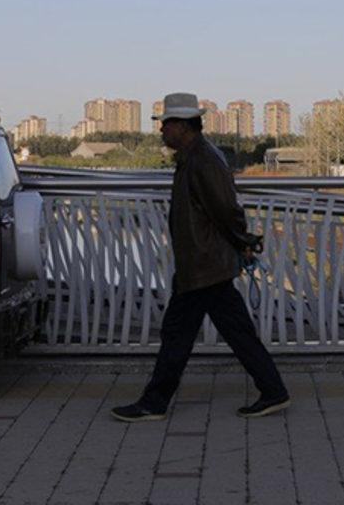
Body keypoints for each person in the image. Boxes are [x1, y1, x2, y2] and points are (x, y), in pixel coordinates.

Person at [111, 92, 290, 422]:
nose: (161, 130)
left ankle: (155, 402)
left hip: (204, 265)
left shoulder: (203, 160)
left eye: (166, 124)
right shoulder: (193, 157)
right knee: (231, 332)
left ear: (183, 126)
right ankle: (273, 390)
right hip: (203, 264)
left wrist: (244, 241)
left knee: (179, 334)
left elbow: (226, 209)